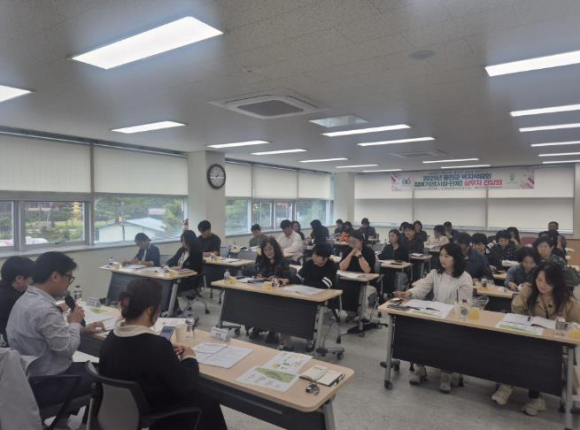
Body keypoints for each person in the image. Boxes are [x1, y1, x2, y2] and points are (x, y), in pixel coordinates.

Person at [99, 278, 227, 430]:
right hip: (152, 410)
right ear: (150, 310)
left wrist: (164, 351)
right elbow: (184, 386)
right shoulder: (157, 347)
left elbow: (138, 354)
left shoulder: (111, 337)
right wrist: (189, 356)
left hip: (120, 409)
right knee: (209, 402)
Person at [6, 252, 105, 415]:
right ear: (55, 276)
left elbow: (47, 335)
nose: (69, 284)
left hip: (25, 379)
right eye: (69, 278)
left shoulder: (24, 300)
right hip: (46, 383)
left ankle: (63, 421)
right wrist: (74, 323)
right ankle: (86, 424)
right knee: (105, 374)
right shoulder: (45, 310)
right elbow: (68, 349)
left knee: (90, 368)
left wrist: (82, 329)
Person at [491, 262, 580, 416]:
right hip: (528, 336)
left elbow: (577, 321)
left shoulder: (566, 299)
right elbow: (516, 309)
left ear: (556, 281)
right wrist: (528, 321)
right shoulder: (528, 290)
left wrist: (565, 328)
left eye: (548, 281)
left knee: (538, 357)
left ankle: (536, 397)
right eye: (539, 280)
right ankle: (507, 385)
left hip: (554, 344)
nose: (542, 285)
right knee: (512, 349)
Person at [395, 244, 473, 393]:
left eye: (447, 256)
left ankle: (446, 374)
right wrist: (409, 293)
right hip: (435, 314)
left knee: (449, 339)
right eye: (441, 255)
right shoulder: (435, 273)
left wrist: (456, 314)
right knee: (418, 333)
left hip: (452, 319)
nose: (442, 259)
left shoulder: (465, 278)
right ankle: (420, 369)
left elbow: (465, 305)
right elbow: (422, 288)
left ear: (456, 258)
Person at [283, 243, 338, 351]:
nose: (314, 257)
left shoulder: (331, 266)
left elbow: (323, 285)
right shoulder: (309, 263)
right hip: (305, 295)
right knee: (286, 305)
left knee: (308, 311)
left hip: (324, 299)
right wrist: (288, 280)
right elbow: (299, 278)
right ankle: (287, 342)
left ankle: (310, 340)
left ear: (325, 258)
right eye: (313, 254)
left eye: (317, 255)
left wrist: (305, 284)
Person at [252, 238, 292, 343]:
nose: (268, 252)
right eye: (265, 250)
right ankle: (258, 326)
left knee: (270, 303)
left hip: (280, 294)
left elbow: (288, 279)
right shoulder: (263, 261)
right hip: (265, 291)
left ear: (275, 248)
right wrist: (259, 276)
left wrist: (277, 279)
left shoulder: (283, 261)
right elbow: (260, 273)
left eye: (270, 249)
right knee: (253, 300)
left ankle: (272, 331)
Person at [339, 230, 376, 315]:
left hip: (365, 280)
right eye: (350, 241)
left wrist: (359, 255)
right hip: (349, 278)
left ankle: (355, 313)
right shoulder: (348, 250)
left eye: (354, 241)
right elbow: (342, 267)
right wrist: (350, 254)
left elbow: (367, 270)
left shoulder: (369, 251)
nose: (352, 243)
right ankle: (349, 312)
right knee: (342, 286)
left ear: (361, 241)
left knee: (353, 289)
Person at [0, 256, 34, 346]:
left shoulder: (4, 288)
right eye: (31, 278)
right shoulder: (14, 299)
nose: (33, 281)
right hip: (8, 346)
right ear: (19, 278)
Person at [378, 229, 410, 295]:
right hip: (387, 268)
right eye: (389, 236)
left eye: (392, 236)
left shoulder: (403, 248)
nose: (391, 238)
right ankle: (383, 292)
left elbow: (406, 261)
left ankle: (389, 292)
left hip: (398, 269)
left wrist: (395, 261)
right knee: (383, 271)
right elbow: (381, 258)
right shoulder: (387, 247)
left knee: (389, 273)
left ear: (398, 237)